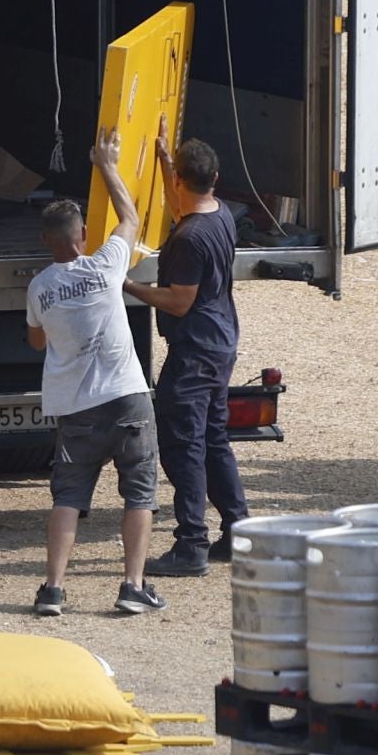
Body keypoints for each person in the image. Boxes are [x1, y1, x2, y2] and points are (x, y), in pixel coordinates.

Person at [25, 128, 165, 616]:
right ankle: (132, 586)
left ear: (45, 242)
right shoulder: (106, 266)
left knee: (69, 496)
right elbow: (131, 217)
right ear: (82, 235)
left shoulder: (39, 288)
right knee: (140, 494)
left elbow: (37, 340)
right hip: (126, 397)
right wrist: (107, 164)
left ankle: (54, 590)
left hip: (75, 408)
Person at [123, 118, 249, 576]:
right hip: (220, 343)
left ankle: (191, 544)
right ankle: (238, 532)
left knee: (184, 447)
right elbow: (182, 205)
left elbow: (178, 301)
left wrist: (130, 286)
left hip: (194, 351)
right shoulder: (219, 215)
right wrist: (163, 157)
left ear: (181, 180)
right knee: (215, 440)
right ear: (214, 178)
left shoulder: (189, 239)